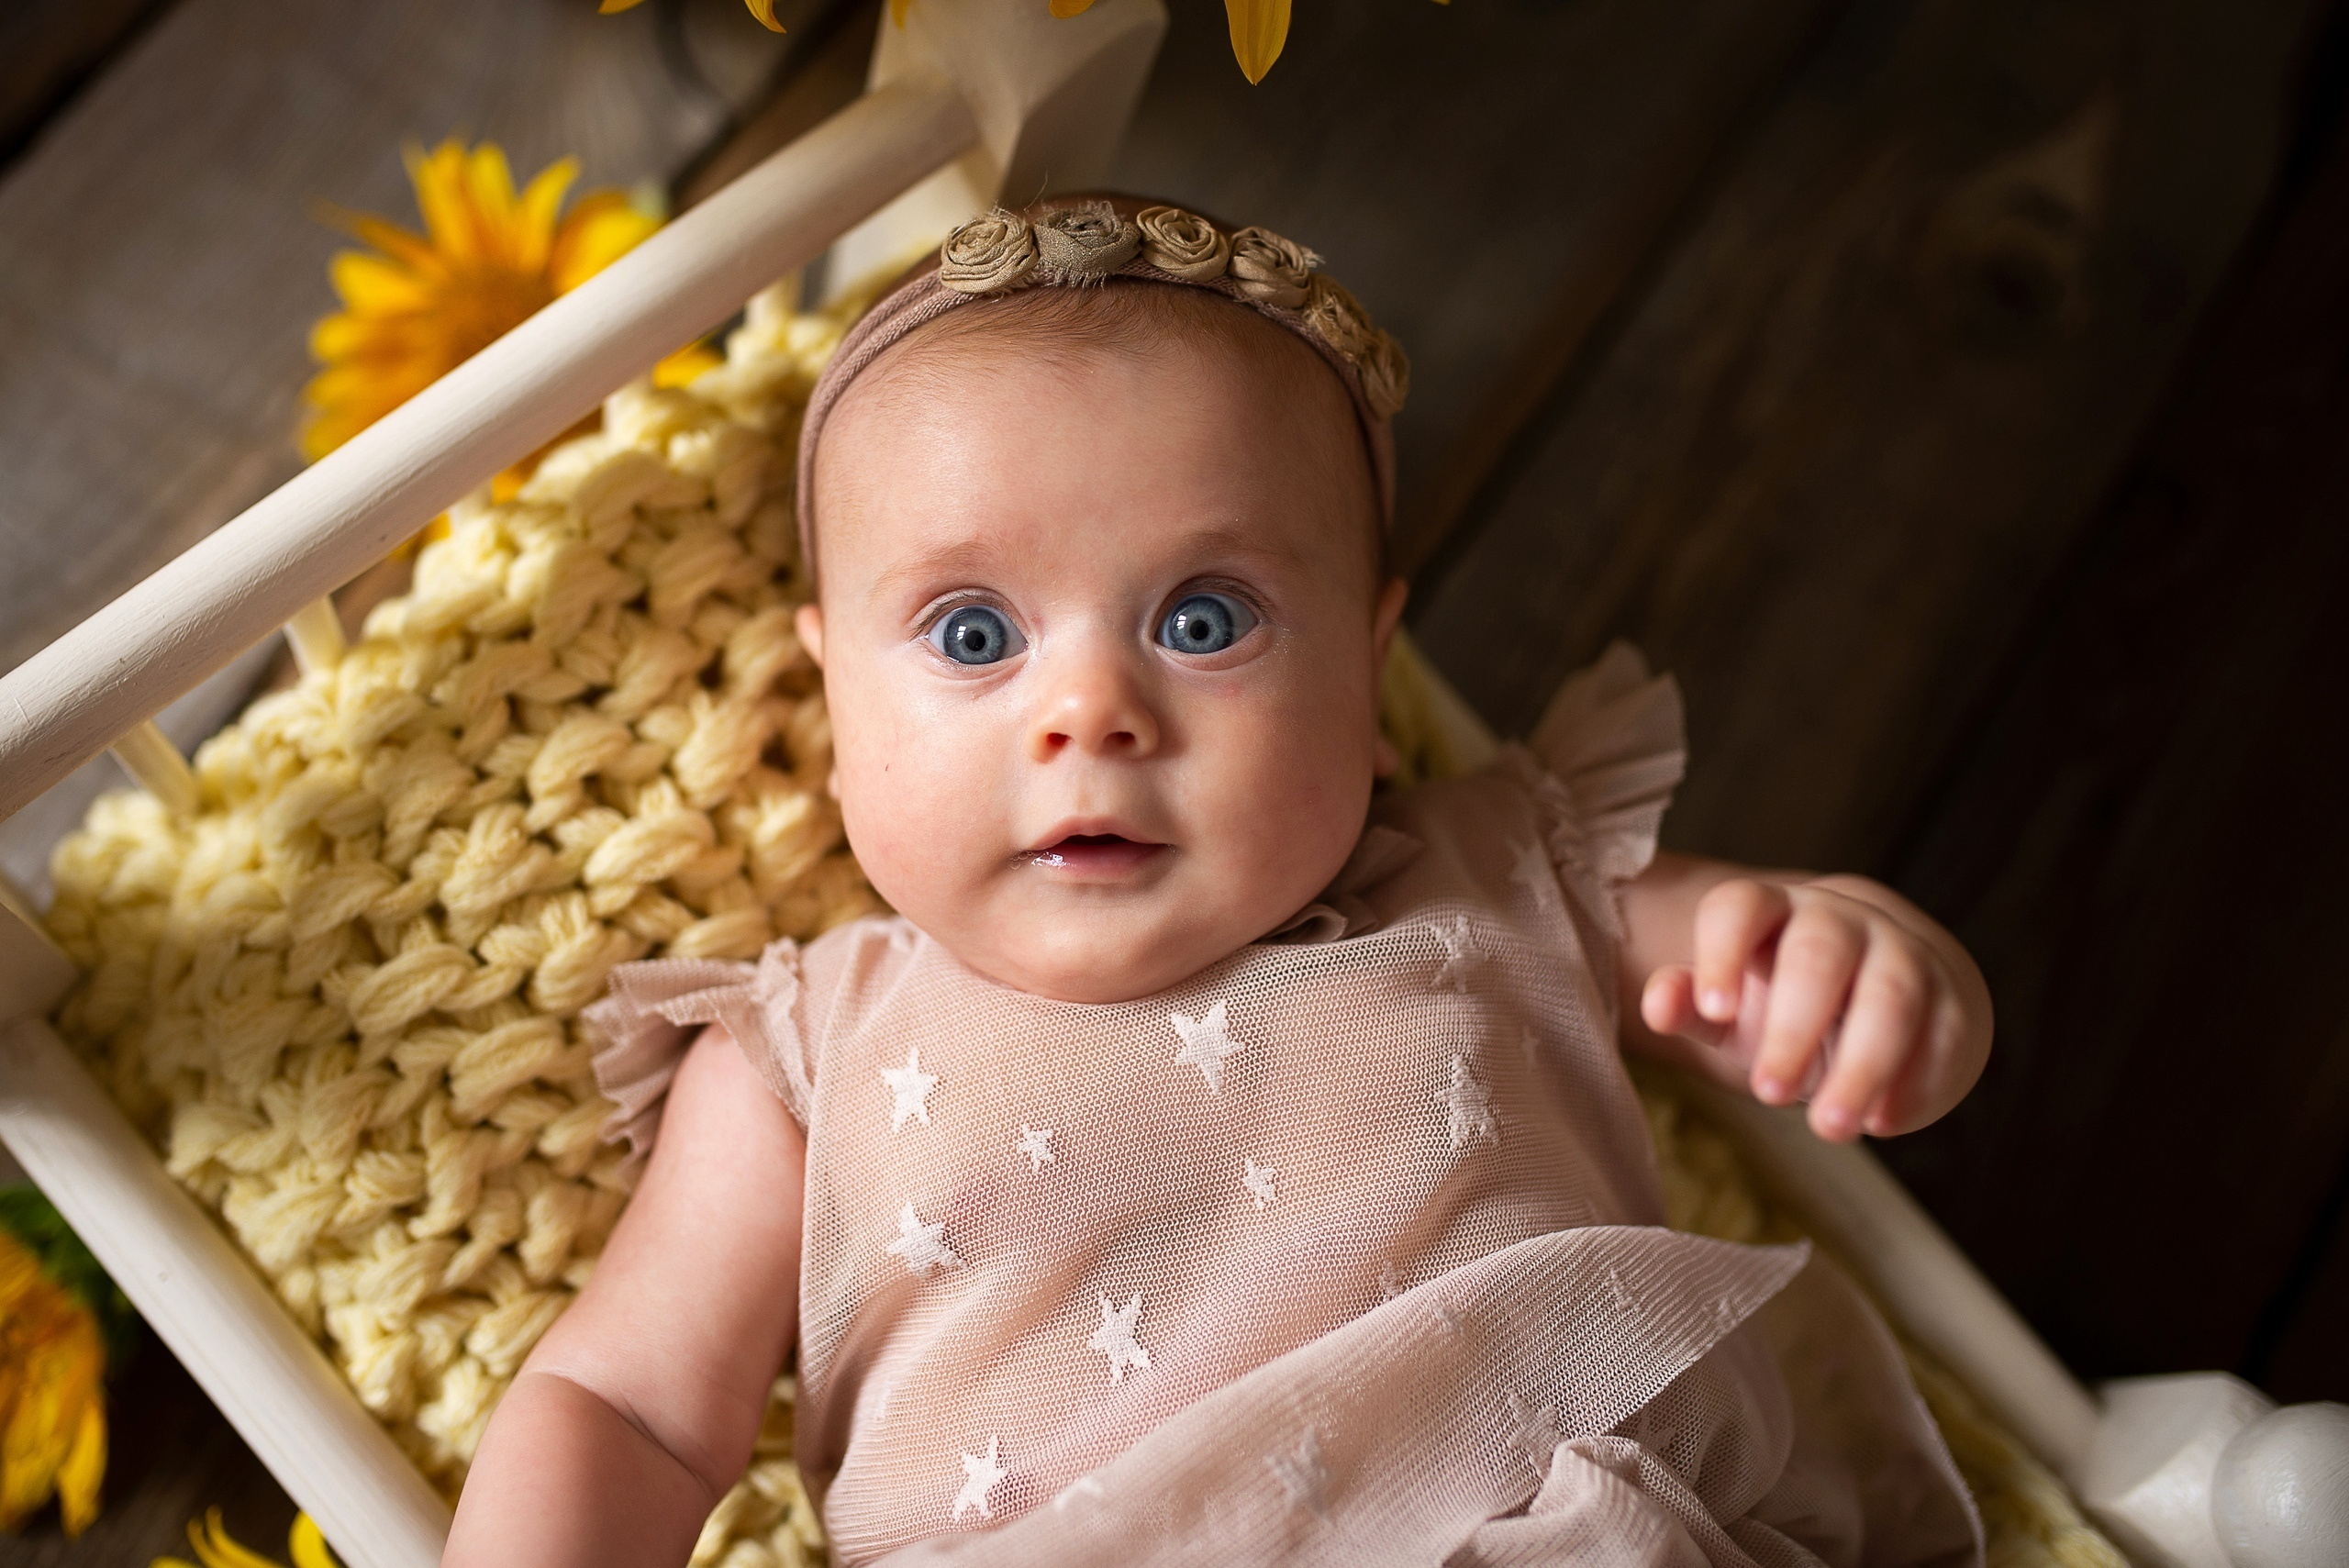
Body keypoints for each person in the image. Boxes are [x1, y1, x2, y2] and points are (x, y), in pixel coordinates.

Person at [441, 195, 1993, 1567]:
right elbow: (632, 1406)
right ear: (836, 703)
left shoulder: (1506, 876)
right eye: (974, 636)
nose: (1090, 711)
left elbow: (1764, 981)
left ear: (1368, 671)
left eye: (1203, 621)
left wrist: (1856, 977)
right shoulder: (801, 1056)